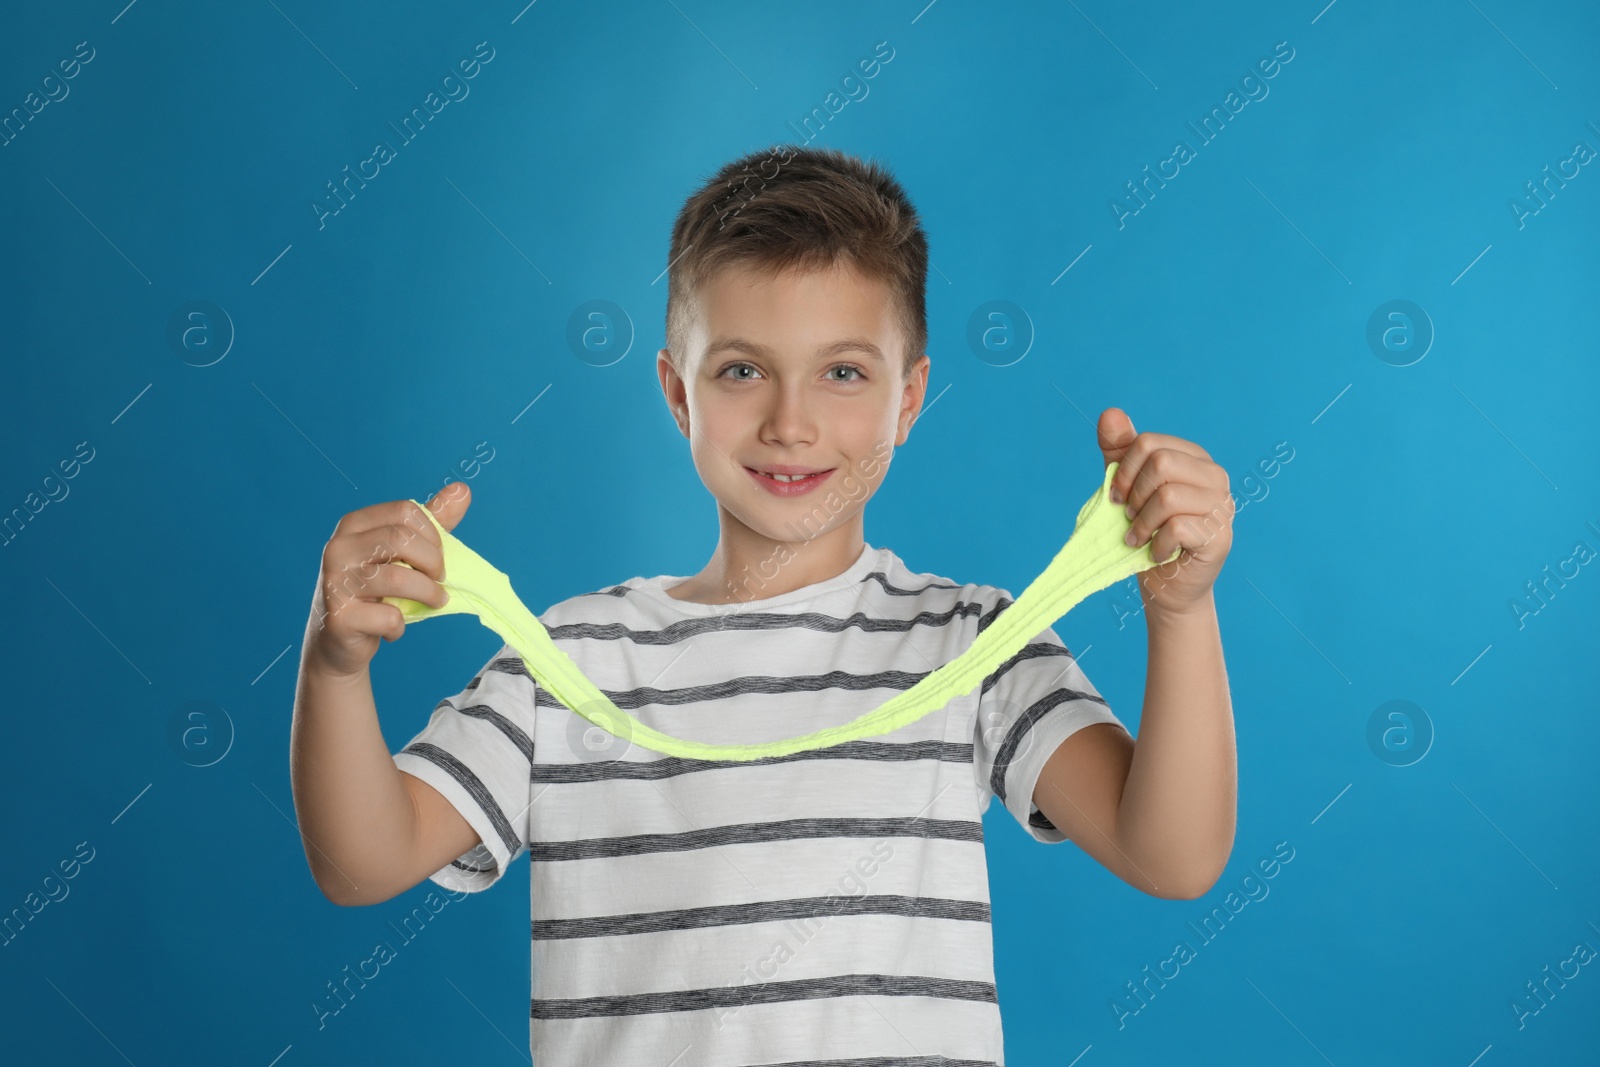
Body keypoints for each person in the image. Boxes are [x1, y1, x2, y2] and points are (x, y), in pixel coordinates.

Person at [290, 144, 1237, 1065]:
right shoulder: (568, 662)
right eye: (742, 370)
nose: (791, 422)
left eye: (843, 371)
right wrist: (334, 666)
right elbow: (363, 861)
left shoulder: (972, 645)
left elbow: (1173, 856)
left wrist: (1181, 612)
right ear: (676, 392)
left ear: (909, 400)